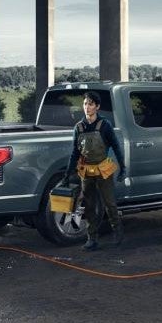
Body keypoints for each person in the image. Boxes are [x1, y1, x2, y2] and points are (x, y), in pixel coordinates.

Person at [62, 91, 126, 251]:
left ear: (97, 107)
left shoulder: (105, 125)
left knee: (109, 203)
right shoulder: (79, 127)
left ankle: (117, 230)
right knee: (89, 206)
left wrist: (123, 167)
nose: (87, 107)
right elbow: (74, 153)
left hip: (104, 169)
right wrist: (67, 174)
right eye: (85, 104)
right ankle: (92, 238)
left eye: (90, 104)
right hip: (86, 172)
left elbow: (116, 146)